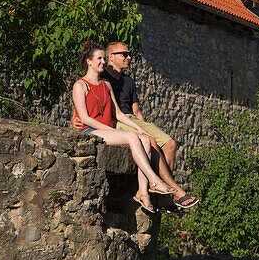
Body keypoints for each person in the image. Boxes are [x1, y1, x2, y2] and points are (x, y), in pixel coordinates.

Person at [71, 42, 184, 216]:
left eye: (103, 58)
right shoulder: (80, 85)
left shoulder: (106, 86)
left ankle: (143, 193)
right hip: (89, 131)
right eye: (99, 58)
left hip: (107, 132)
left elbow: (118, 114)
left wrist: (140, 129)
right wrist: (116, 132)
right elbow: (85, 118)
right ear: (89, 62)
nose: (102, 62)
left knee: (145, 140)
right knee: (132, 138)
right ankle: (155, 180)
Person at [103, 40, 197, 211]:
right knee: (151, 141)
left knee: (170, 144)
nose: (129, 57)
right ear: (111, 57)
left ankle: (162, 197)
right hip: (118, 120)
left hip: (132, 118)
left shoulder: (128, 81)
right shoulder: (104, 78)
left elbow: (136, 110)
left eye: (129, 53)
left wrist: (143, 125)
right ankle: (174, 192)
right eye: (124, 54)